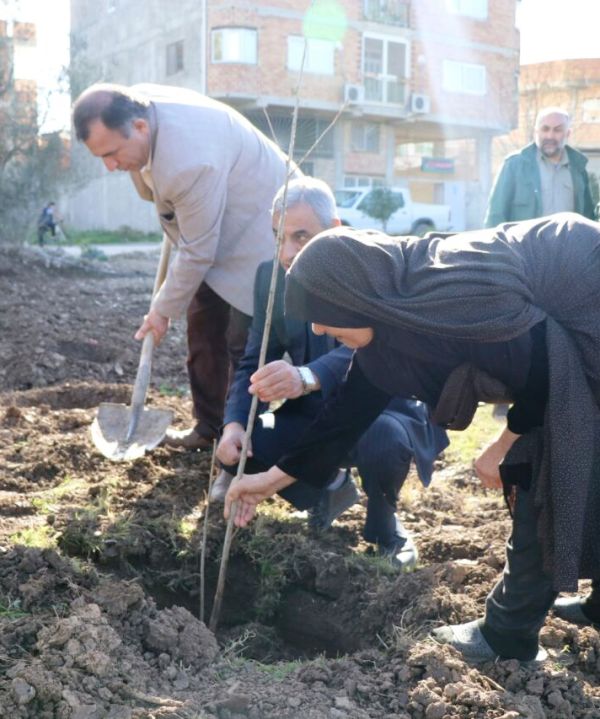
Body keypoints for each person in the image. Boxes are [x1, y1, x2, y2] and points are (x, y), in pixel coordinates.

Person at [224, 212, 600, 663]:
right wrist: (267, 482)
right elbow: (344, 416)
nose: (320, 331)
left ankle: (506, 636)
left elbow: (542, 377)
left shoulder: (452, 295)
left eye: (323, 317)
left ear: (354, 298)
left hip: (586, 305)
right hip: (556, 331)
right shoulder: (393, 321)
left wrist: (500, 447)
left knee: (538, 469)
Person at [214, 177, 448, 569]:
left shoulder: (373, 267)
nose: (288, 252)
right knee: (245, 445)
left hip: (381, 407)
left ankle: (384, 527)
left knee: (383, 438)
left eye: (302, 236)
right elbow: (252, 361)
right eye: (278, 236)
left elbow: (379, 346)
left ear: (335, 229)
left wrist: (307, 376)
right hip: (313, 412)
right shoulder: (270, 278)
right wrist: (234, 423)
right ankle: (329, 488)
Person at [72, 83, 298, 450]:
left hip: (263, 230)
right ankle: (210, 428)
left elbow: (197, 250)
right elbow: (160, 198)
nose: (109, 166)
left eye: (112, 153)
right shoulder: (140, 107)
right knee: (203, 328)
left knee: (244, 344)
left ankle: (245, 445)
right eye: (101, 157)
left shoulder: (189, 160)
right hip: (213, 220)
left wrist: (161, 311)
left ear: (140, 127)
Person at [484, 107, 595, 228]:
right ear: (536, 132)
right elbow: (495, 216)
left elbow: (587, 217)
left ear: (568, 133)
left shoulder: (578, 168)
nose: (550, 136)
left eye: (557, 130)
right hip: (525, 246)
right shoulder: (514, 165)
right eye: (545, 129)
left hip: (568, 246)